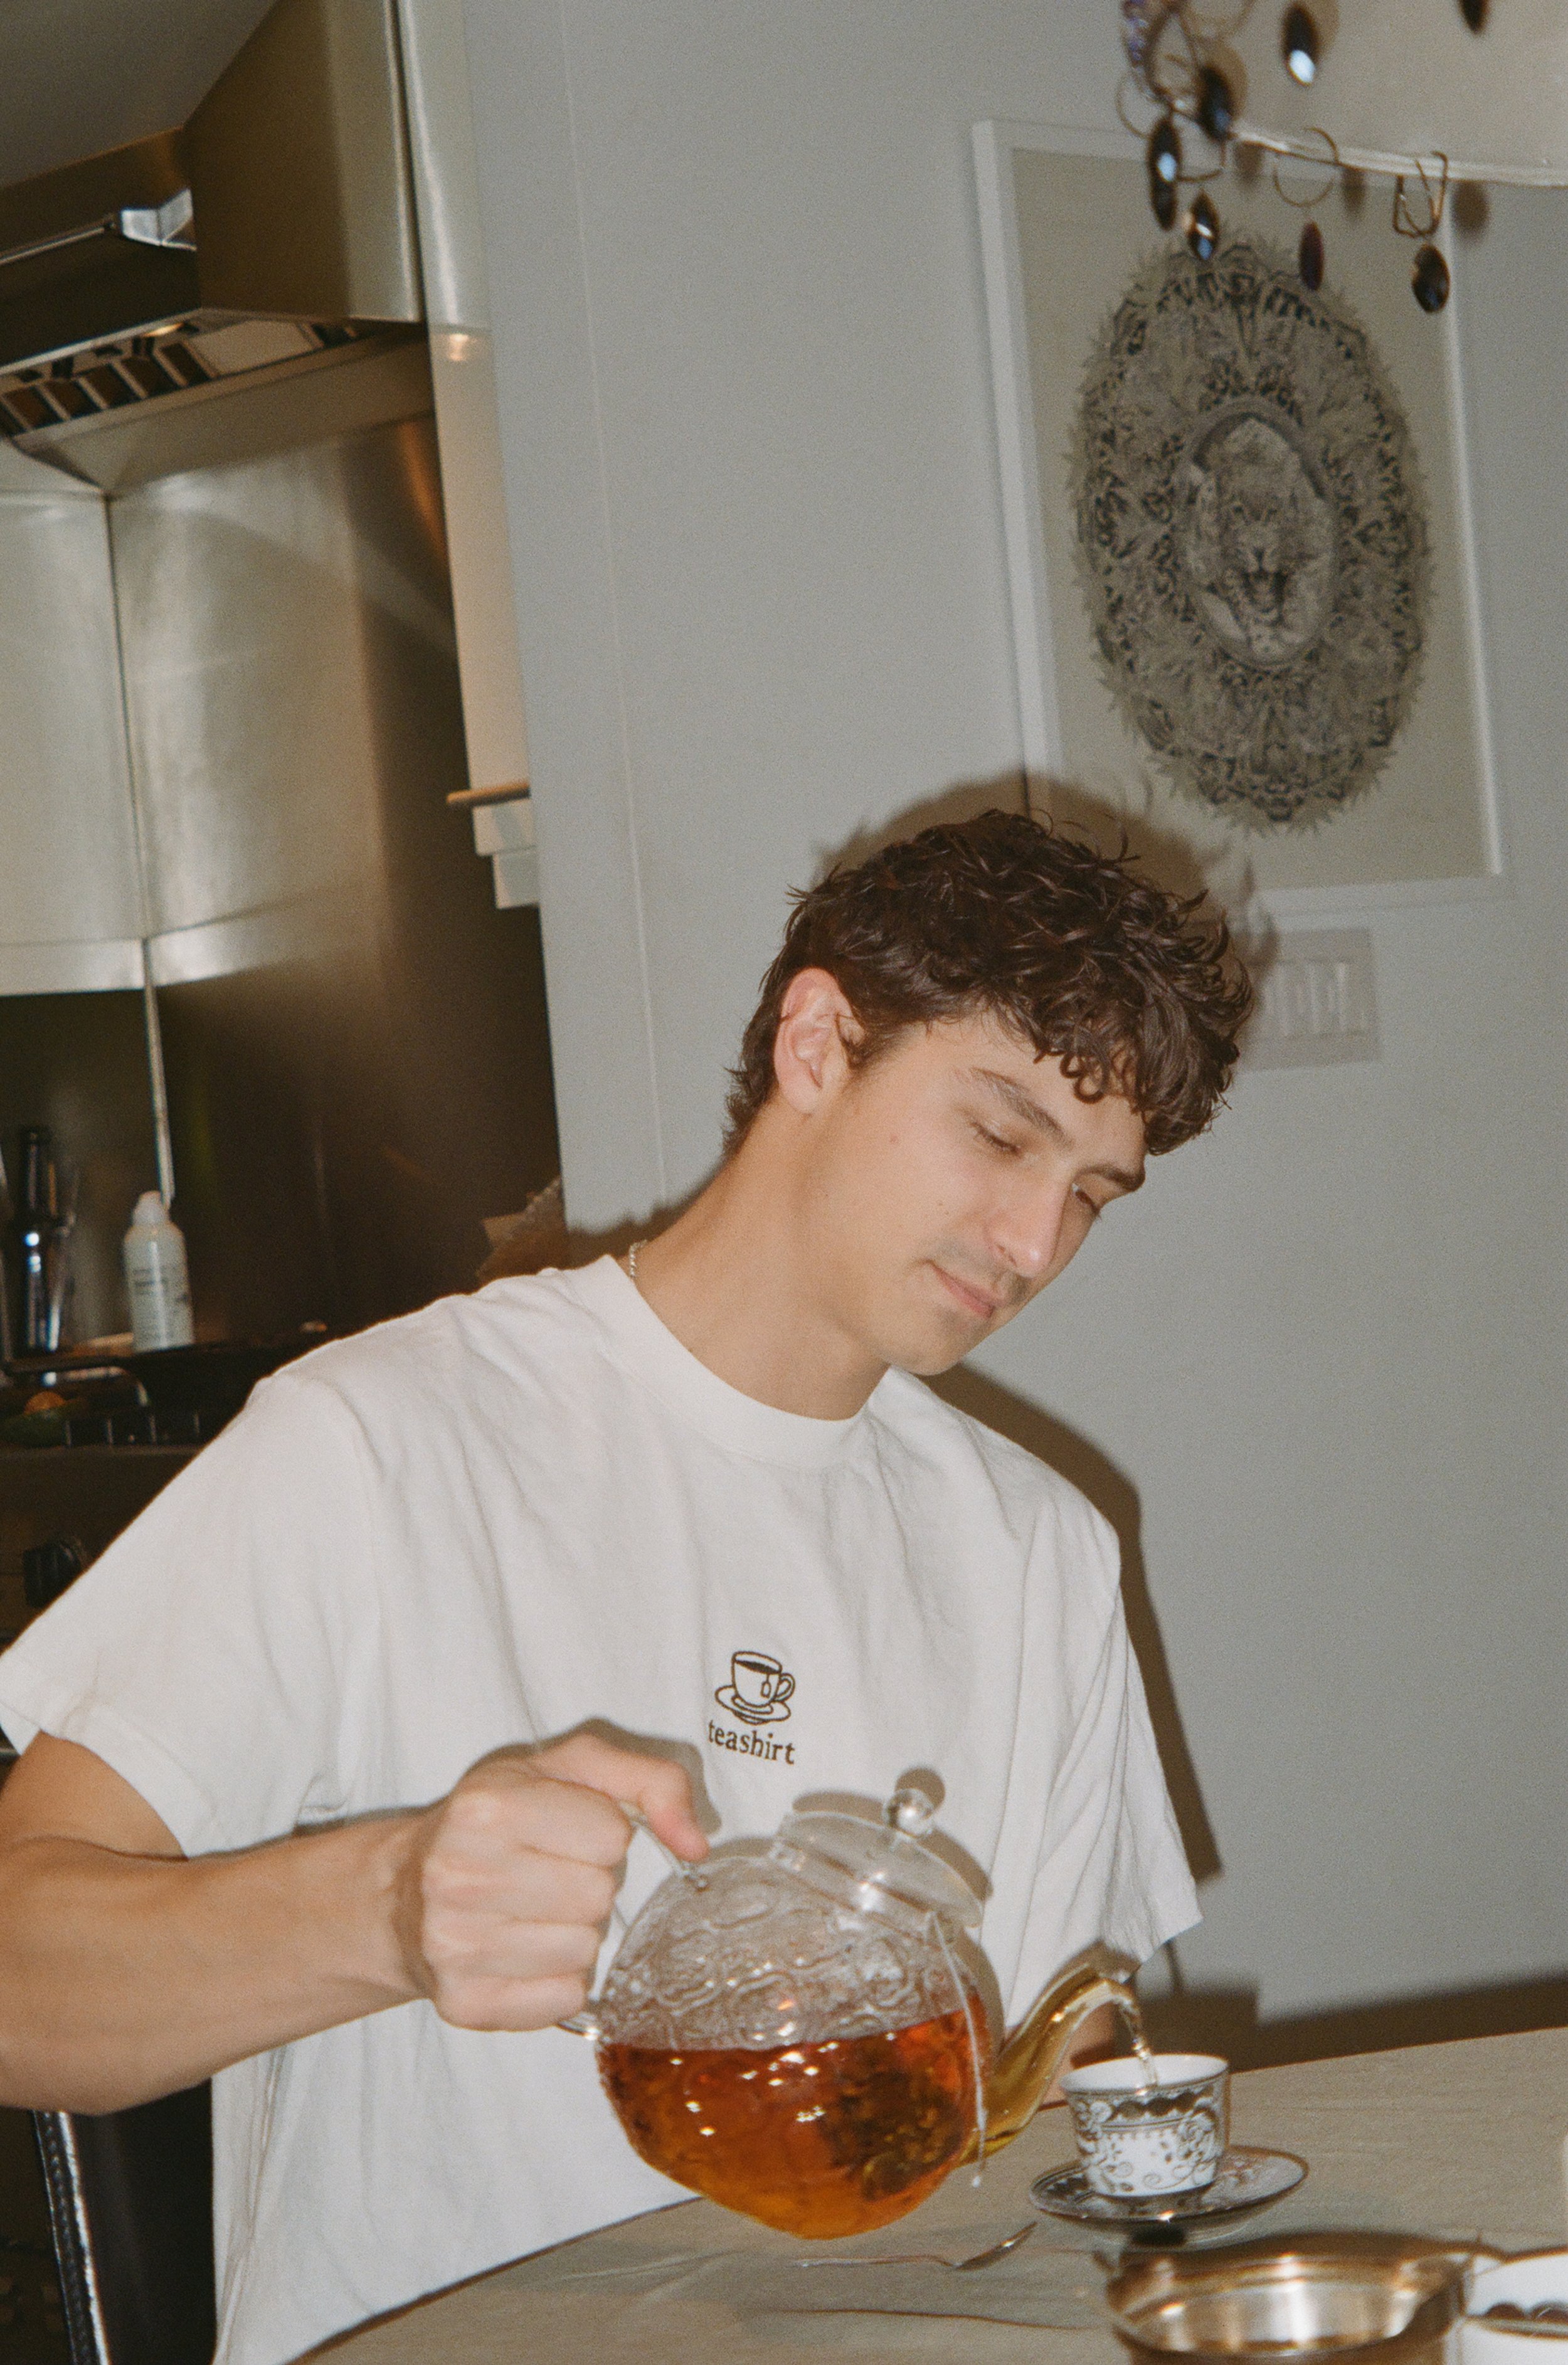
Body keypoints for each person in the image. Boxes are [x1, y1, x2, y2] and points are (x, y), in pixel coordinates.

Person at [0, 811, 1251, 2365]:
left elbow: (1051, 2114)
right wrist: (390, 1907)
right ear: (817, 1040)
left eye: (1090, 1192)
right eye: (999, 1133)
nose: (1032, 1239)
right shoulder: (385, 1438)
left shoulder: (1036, 1551)